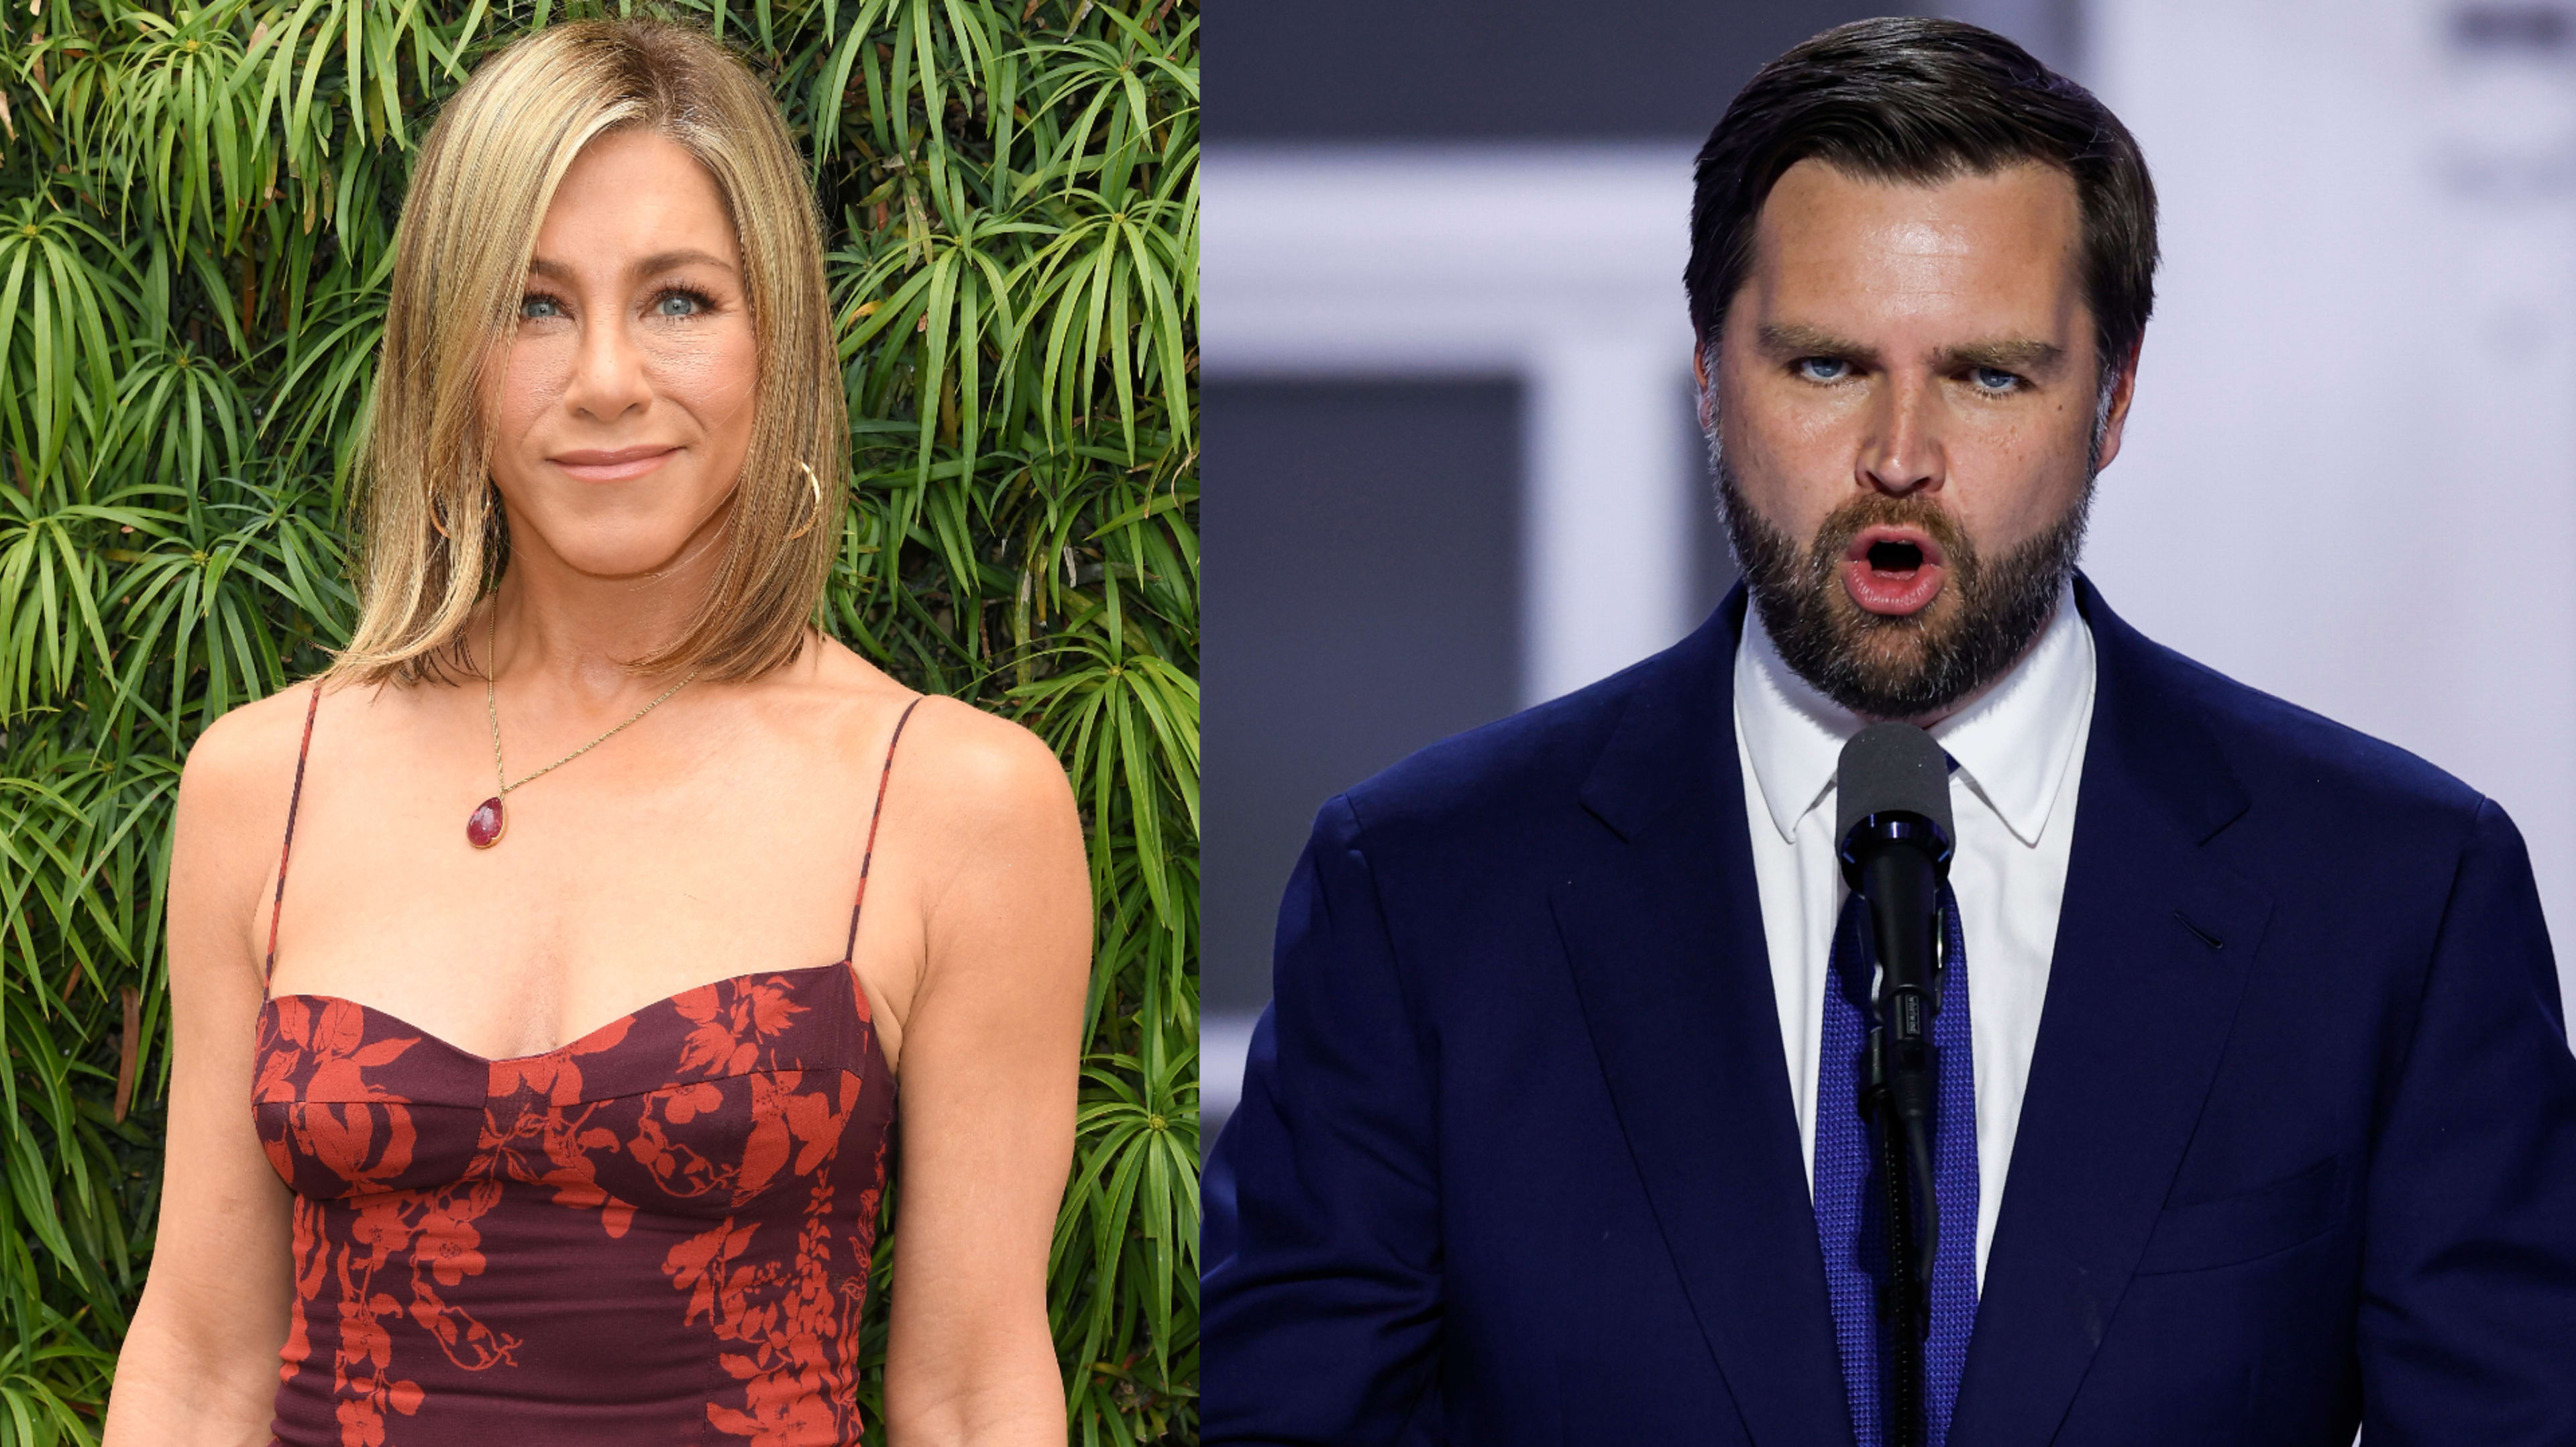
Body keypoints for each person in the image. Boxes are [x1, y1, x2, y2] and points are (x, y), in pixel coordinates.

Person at [1202, 17, 2576, 1446]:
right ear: (1707, 375)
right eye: (1826, 367)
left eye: (1990, 375)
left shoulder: (2397, 895)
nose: (1901, 456)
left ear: (2111, 400)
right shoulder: (1422, 894)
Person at [99, 19, 1091, 1446]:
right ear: (448, 345)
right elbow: (198, 1361)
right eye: (534, 304)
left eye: (679, 299)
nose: (608, 378)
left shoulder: (954, 800)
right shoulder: (268, 779)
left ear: (777, 336)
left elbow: (973, 1385)